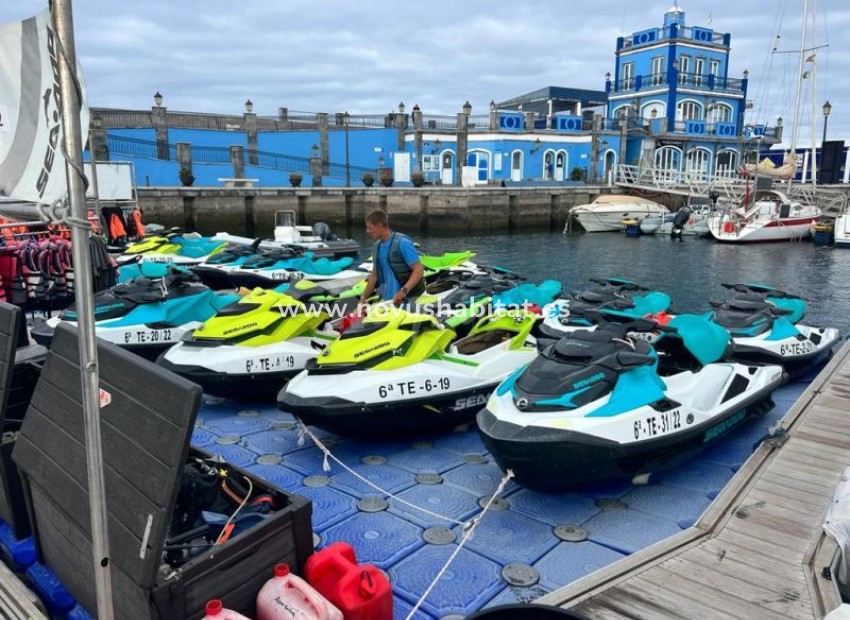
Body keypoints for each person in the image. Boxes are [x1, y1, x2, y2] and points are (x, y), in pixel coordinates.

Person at [358, 209, 424, 306]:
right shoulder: (377, 247)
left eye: (370, 228)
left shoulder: (402, 243)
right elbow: (374, 277)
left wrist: (403, 291)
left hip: (408, 301)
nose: (367, 231)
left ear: (380, 226)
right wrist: (363, 299)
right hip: (388, 302)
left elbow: (419, 269)